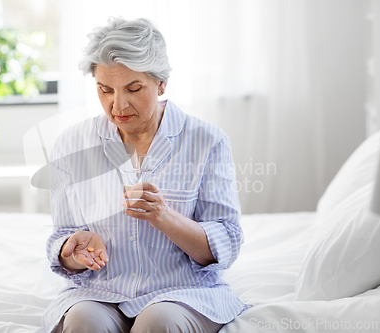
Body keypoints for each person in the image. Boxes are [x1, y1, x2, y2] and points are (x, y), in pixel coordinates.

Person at [41, 17, 249, 333]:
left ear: (161, 83)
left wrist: (165, 217)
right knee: (85, 322)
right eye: (105, 89)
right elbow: (62, 242)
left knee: (158, 323)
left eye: (134, 88)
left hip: (181, 293)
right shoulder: (72, 144)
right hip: (100, 293)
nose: (117, 104)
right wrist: (74, 249)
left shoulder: (207, 141)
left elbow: (227, 242)